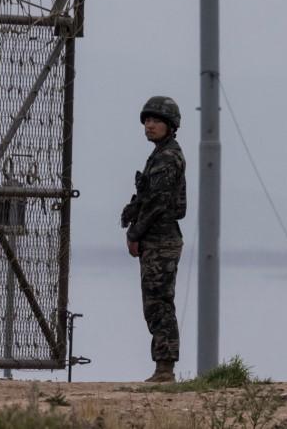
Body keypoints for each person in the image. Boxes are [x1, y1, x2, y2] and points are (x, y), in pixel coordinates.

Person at [120, 96, 186, 383]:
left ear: (170, 125)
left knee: (159, 303)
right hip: (156, 238)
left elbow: (159, 202)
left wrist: (136, 232)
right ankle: (163, 367)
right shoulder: (160, 155)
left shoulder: (168, 157)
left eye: (156, 120)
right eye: (147, 120)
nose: (150, 125)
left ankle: (165, 368)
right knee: (154, 304)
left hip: (161, 238)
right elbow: (149, 197)